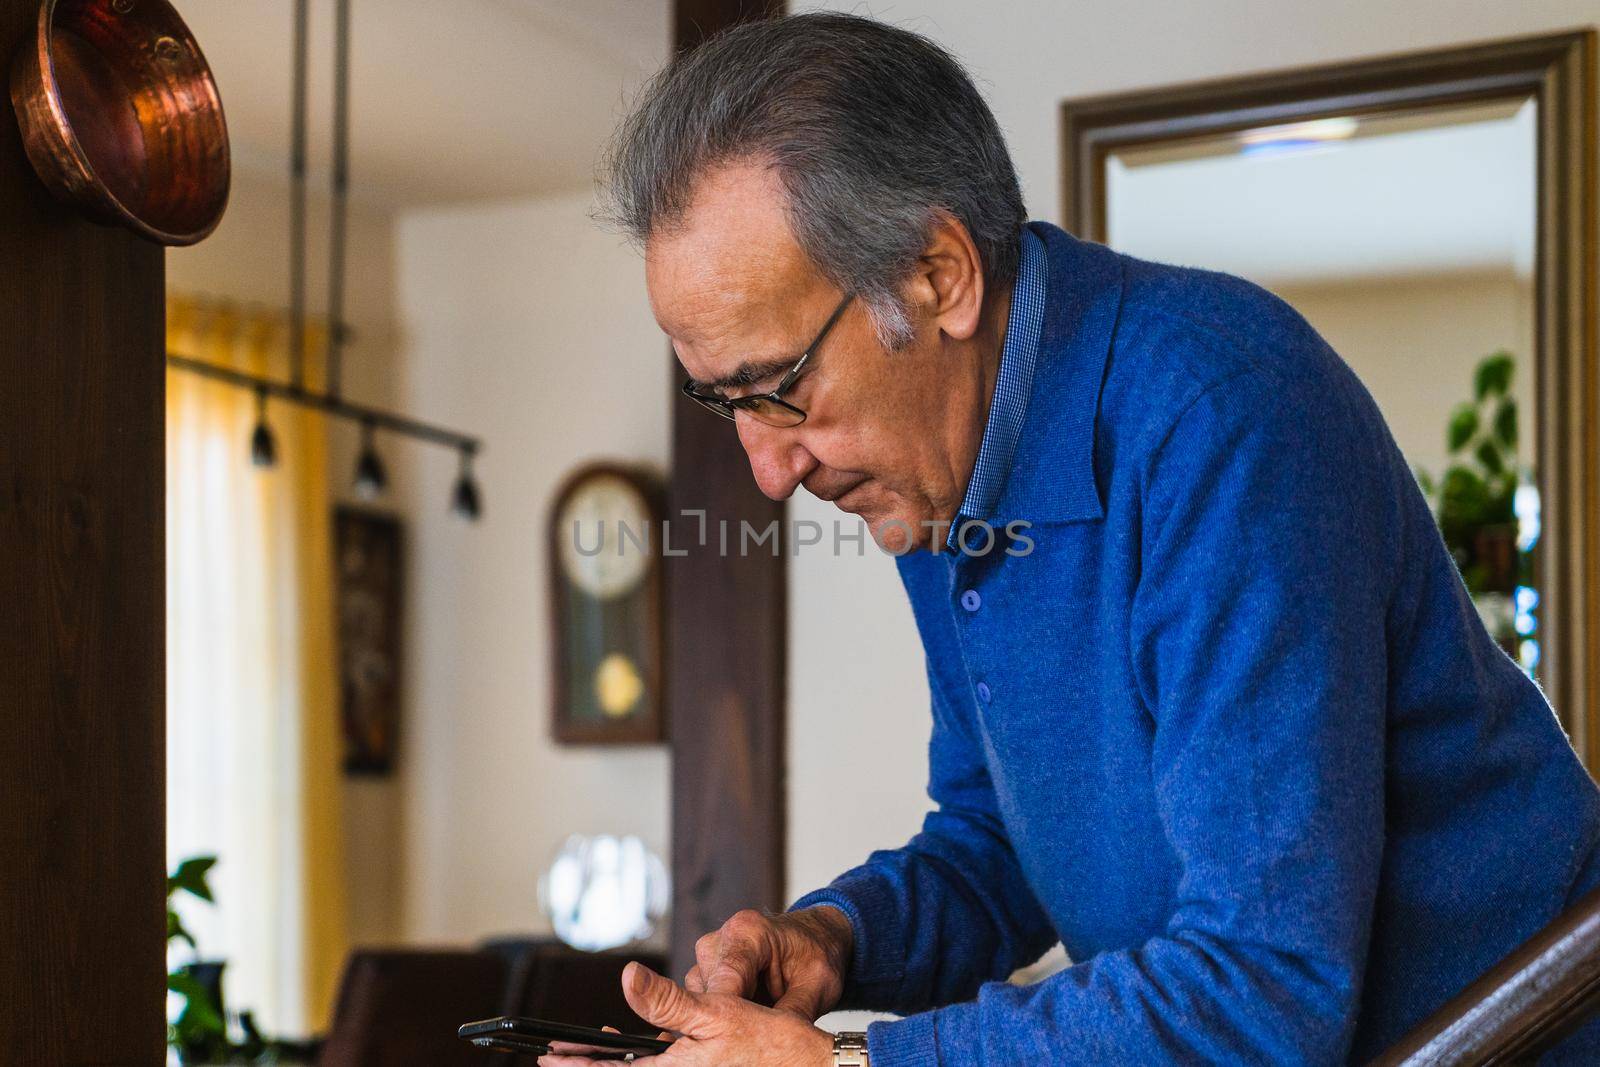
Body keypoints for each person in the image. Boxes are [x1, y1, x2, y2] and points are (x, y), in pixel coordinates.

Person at [542, 12, 1600, 1066]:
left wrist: (850, 1063)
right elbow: (1002, 834)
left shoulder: (1221, 412)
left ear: (938, 276)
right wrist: (837, 938)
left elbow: (1265, 990)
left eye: (779, 390)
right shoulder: (941, 476)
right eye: (725, 404)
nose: (769, 474)